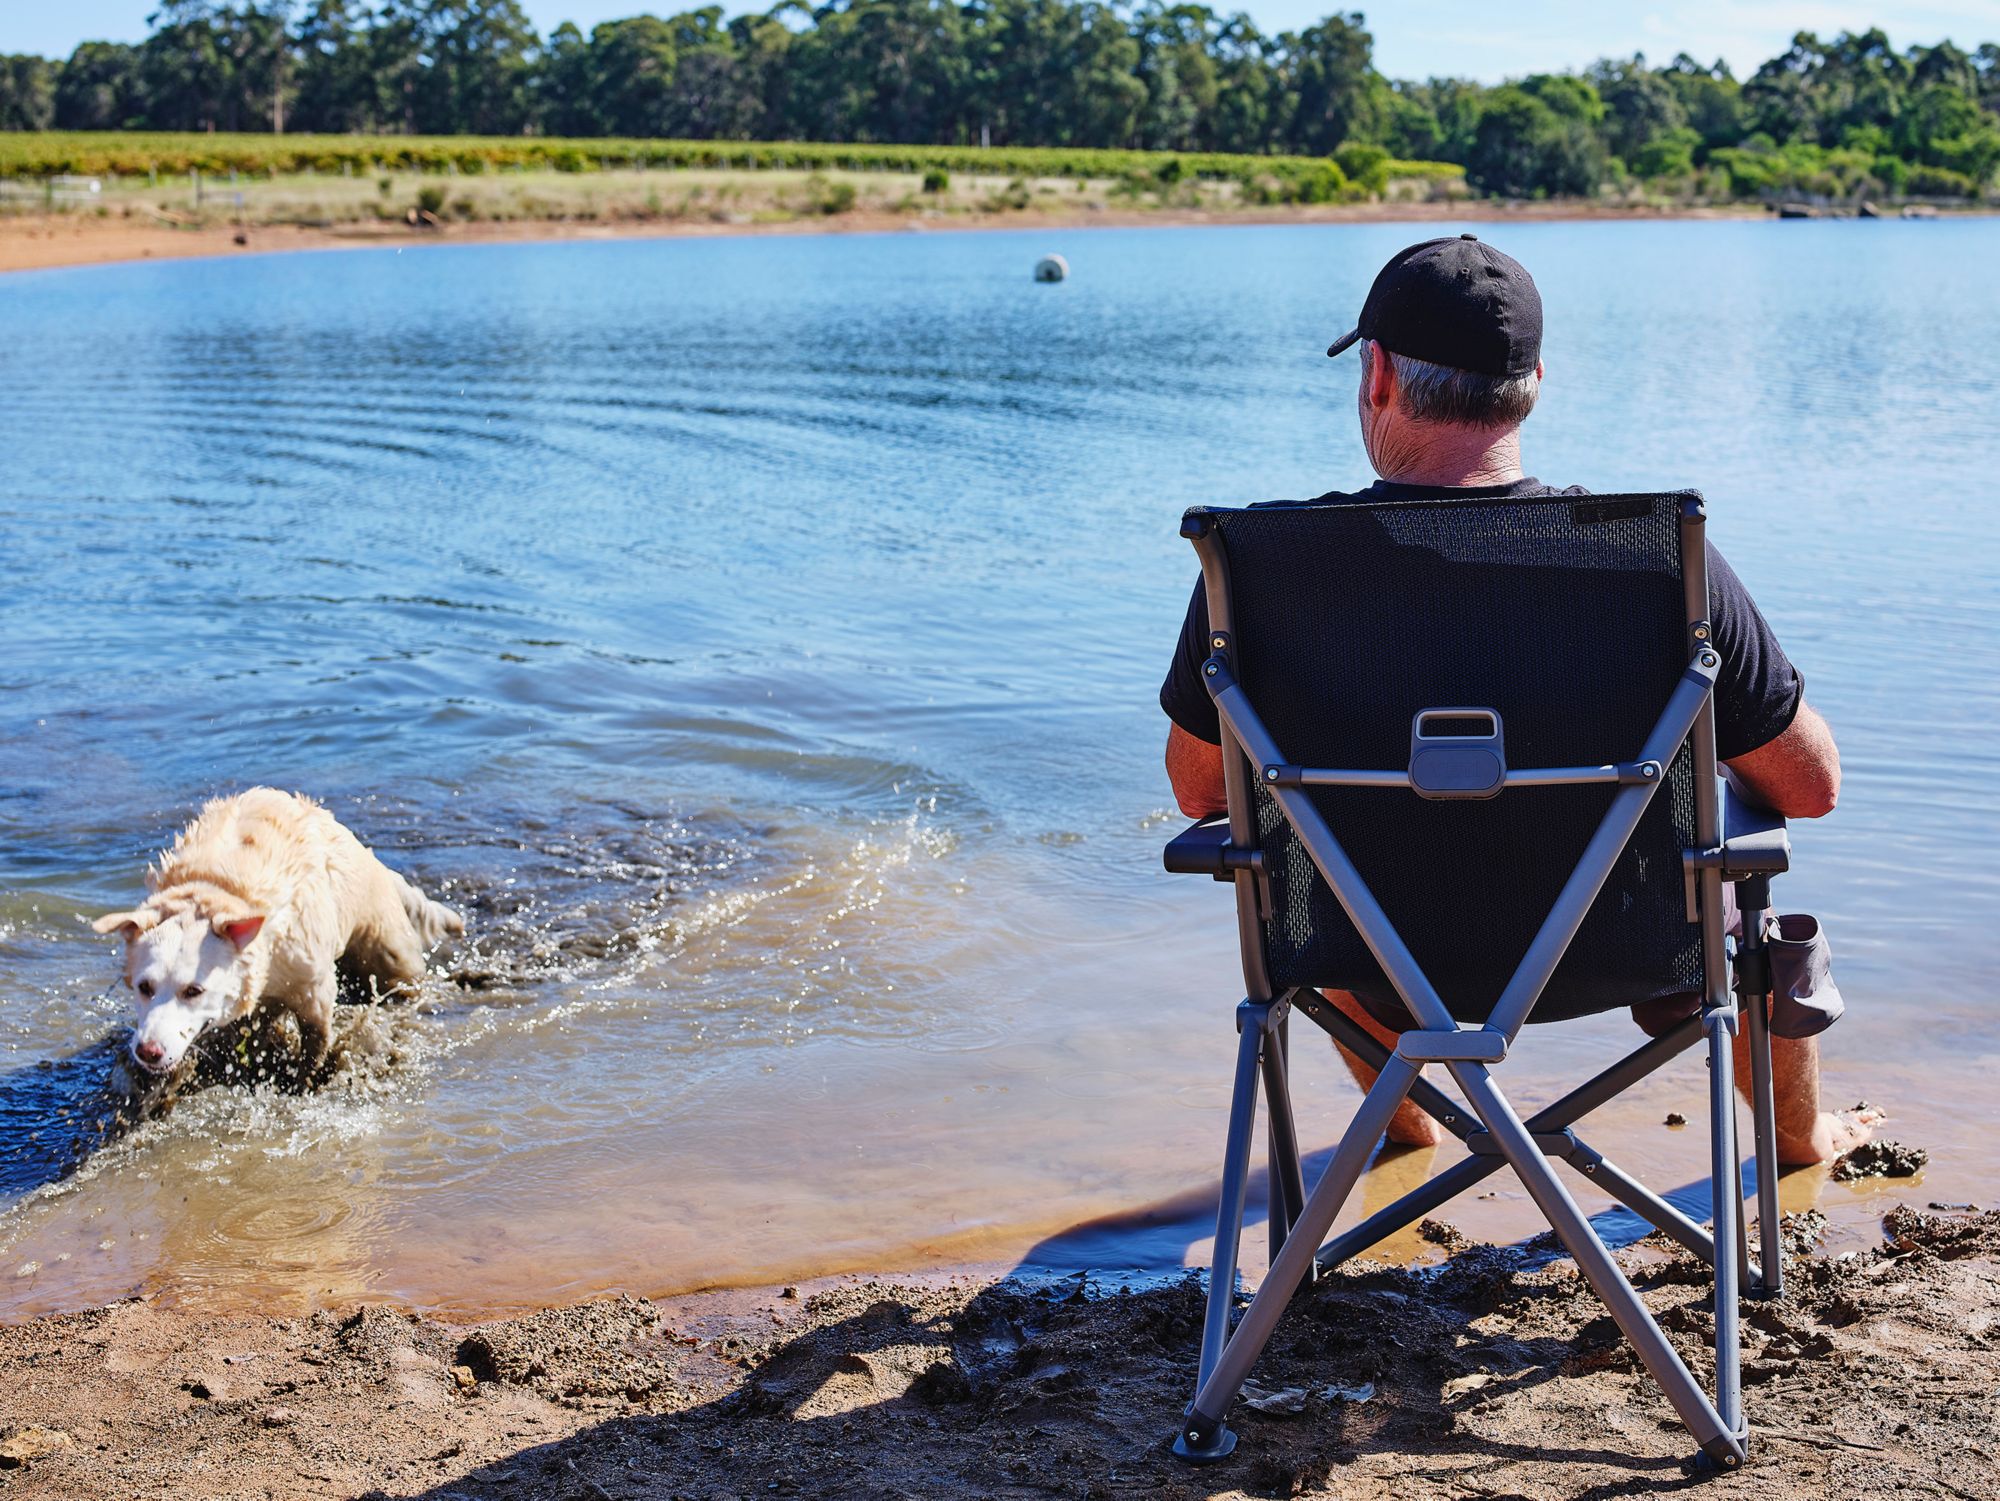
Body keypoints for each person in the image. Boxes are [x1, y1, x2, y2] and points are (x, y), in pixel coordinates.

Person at [1158, 234, 1876, 1167]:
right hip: (1624, 949)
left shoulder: (1259, 575)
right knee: (1745, 902)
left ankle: (1407, 1140)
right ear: (1534, 381)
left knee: (1316, 883)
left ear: (1377, 376)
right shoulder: (1659, 564)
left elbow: (1197, 791)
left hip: (1363, 959)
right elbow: (1811, 788)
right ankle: (1800, 1144)